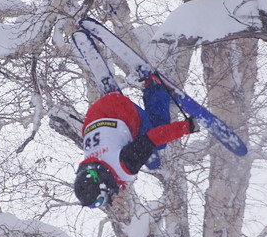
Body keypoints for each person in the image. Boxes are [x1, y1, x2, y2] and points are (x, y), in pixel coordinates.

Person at [74, 75, 198, 208]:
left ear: (102, 186)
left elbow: (155, 137)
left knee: (157, 141)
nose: (105, 203)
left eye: (101, 201)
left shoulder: (124, 165)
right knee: (150, 158)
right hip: (92, 115)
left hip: (117, 107)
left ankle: (155, 87)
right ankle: (132, 99)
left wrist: (186, 127)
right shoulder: (88, 166)